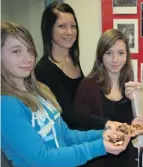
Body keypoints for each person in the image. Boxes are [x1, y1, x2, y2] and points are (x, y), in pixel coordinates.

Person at [1, 21, 130, 167]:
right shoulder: (6, 104)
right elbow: (42, 159)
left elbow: (66, 135)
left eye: (30, 50)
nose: (28, 58)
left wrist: (104, 134)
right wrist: (100, 146)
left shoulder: (41, 91)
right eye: (16, 51)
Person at [73, 29, 142, 167]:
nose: (115, 60)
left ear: (127, 55)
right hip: (97, 160)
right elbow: (79, 123)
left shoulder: (129, 84)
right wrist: (106, 124)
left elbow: (131, 128)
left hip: (124, 159)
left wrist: (135, 101)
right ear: (101, 56)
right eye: (109, 53)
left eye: (120, 53)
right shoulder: (88, 85)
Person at [35, 1, 83, 129]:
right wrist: (109, 122)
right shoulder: (43, 69)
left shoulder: (73, 59)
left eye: (73, 26)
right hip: (66, 142)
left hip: (83, 136)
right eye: (62, 26)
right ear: (48, 29)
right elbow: (69, 117)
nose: (69, 32)